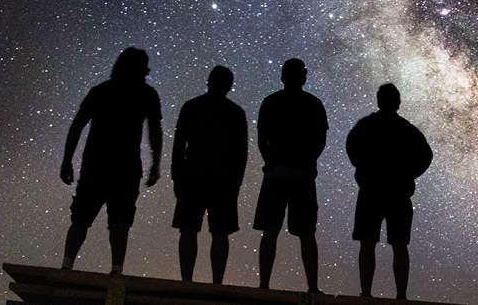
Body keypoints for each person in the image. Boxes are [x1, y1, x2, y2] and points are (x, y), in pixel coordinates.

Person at [59, 47, 163, 275]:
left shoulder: (100, 91)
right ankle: (116, 269)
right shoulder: (147, 94)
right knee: (120, 220)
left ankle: (67, 265)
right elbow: (154, 130)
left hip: (95, 164)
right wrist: (156, 163)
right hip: (126, 167)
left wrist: (67, 160)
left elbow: (77, 126)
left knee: (81, 217)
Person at [346, 83, 432, 300]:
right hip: (398, 192)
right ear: (398, 102)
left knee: (368, 242)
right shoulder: (408, 130)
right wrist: (409, 174)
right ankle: (401, 295)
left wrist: (363, 170)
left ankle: (366, 293)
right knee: (399, 244)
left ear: (379, 100)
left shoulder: (365, 126)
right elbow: (426, 156)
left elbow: (351, 146)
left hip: (371, 190)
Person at [253, 58, 328, 293]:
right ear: (303, 77)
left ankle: (264, 285)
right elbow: (320, 141)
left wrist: (271, 160)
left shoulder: (271, 102)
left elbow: (261, 138)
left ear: (283, 76)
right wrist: (307, 161)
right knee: (306, 232)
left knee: (270, 230)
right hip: (303, 175)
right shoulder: (314, 104)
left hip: (276, 173)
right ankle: (312, 287)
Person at [171, 66, 248, 284]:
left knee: (188, 228)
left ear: (209, 81)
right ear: (229, 86)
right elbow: (241, 153)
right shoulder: (236, 113)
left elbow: (178, 145)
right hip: (223, 180)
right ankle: (217, 283)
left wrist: (176, 175)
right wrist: (237, 182)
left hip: (193, 175)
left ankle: (187, 280)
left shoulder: (191, 107)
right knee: (220, 232)